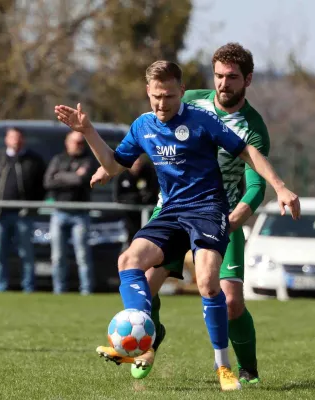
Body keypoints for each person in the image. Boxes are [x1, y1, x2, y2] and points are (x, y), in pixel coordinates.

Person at [55, 60, 300, 391]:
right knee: (128, 261)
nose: (161, 104)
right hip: (170, 211)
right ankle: (142, 337)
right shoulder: (143, 125)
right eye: (156, 96)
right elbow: (114, 164)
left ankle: (223, 366)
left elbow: (248, 153)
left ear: (181, 93)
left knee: (209, 283)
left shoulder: (202, 121)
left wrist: (280, 186)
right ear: (147, 92)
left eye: (169, 96)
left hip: (208, 210)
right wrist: (88, 132)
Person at [92, 42, 270, 383]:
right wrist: (111, 166)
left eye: (232, 77)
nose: (223, 84)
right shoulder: (186, 100)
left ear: (247, 80)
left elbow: (256, 184)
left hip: (221, 213)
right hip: (173, 209)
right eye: (218, 75)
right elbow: (157, 136)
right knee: (144, 281)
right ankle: (145, 343)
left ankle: (246, 369)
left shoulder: (253, 127)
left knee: (228, 300)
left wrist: (236, 219)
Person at [0, 127, 45, 293]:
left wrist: (33, 207)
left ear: (23, 140)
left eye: (18, 138)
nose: (15, 141)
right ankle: (1, 287)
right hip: (0, 215)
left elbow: (41, 187)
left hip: (23, 215)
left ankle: (28, 287)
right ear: (6, 140)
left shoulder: (33, 161)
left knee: (26, 254)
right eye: (12, 137)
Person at [44, 131, 96, 295]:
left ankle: (86, 290)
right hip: (59, 213)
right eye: (75, 142)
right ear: (67, 143)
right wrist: (73, 176)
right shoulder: (58, 159)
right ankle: (59, 290)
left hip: (80, 214)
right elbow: (48, 181)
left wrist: (61, 176)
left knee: (82, 256)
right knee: (58, 256)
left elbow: (82, 180)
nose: (78, 145)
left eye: (81, 142)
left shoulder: (88, 160)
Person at [113, 156, 159, 243]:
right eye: (134, 160)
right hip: (129, 217)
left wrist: (141, 198)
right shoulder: (122, 175)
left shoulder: (149, 173)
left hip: (148, 217)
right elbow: (118, 197)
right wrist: (134, 198)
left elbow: (151, 194)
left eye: (139, 160)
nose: (137, 163)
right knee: (132, 240)